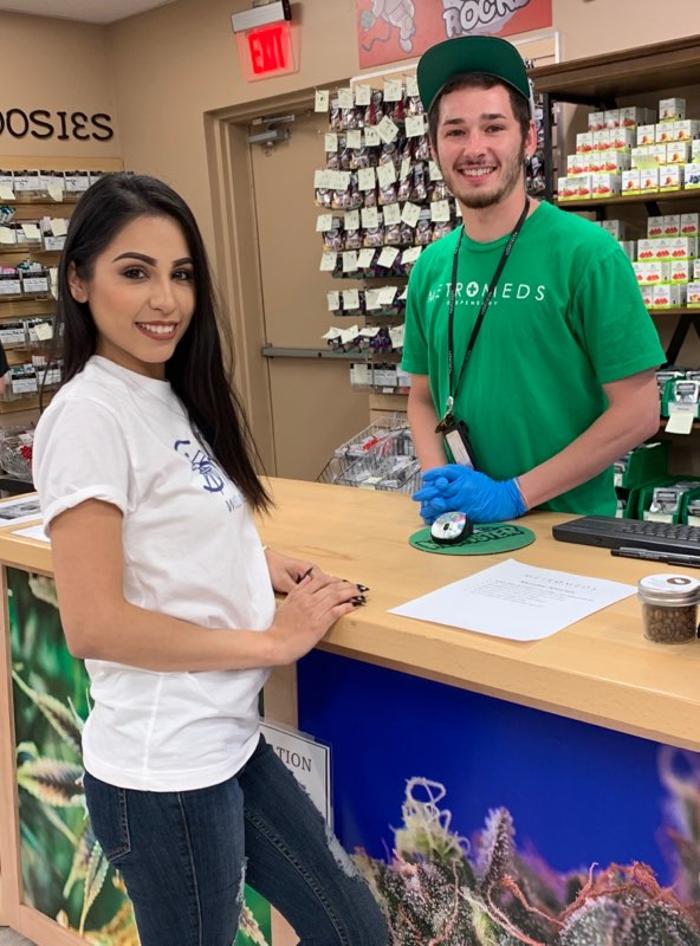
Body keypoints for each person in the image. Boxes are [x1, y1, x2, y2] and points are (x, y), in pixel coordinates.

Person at [32, 173, 388, 946]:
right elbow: (94, 624)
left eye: (182, 274)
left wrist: (253, 560)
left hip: (226, 739)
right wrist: (273, 641)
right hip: (165, 775)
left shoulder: (162, 392)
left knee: (355, 929)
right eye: (136, 272)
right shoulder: (89, 416)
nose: (166, 299)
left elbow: (166, 532)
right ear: (79, 280)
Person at [403, 35, 665, 525]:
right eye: (455, 131)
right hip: (466, 528)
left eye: (494, 127)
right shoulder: (431, 268)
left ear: (528, 138)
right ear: (434, 147)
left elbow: (639, 411)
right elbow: (421, 396)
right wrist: (438, 478)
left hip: (569, 531)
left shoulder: (588, 255)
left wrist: (514, 495)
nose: (474, 149)